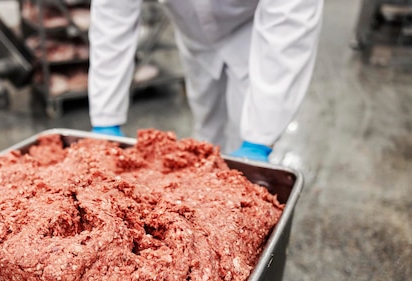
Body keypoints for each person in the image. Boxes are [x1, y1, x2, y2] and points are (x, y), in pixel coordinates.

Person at [88, 0, 324, 162]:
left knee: (245, 133)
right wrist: (105, 119)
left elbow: (290, 23)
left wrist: (259, 140)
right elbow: (112, 17)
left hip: (255, 32)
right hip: (195, 37)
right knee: (207, 125)